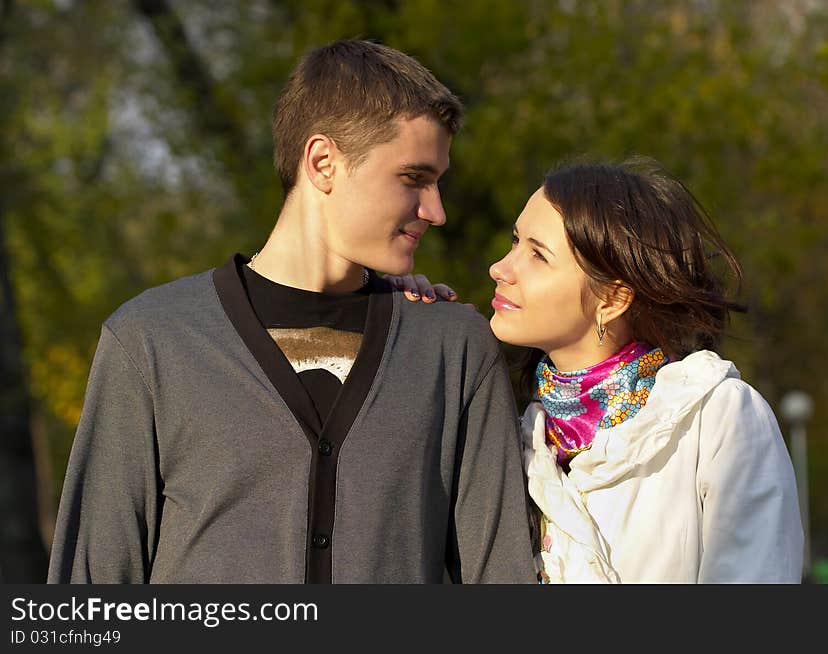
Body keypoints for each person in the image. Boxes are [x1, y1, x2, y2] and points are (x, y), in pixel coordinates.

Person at [48, 40, 536, 584]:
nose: (436, 211)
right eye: (414, 179)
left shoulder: (453, 348)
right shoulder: (152, 341)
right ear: (323, 162)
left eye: (438, 182)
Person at [389, 158, 804, 583]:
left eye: (537, 255)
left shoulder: (713, 418)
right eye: (515, 242)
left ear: (612, 299)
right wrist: (408, 333)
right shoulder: (514, 440)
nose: (501, 268)